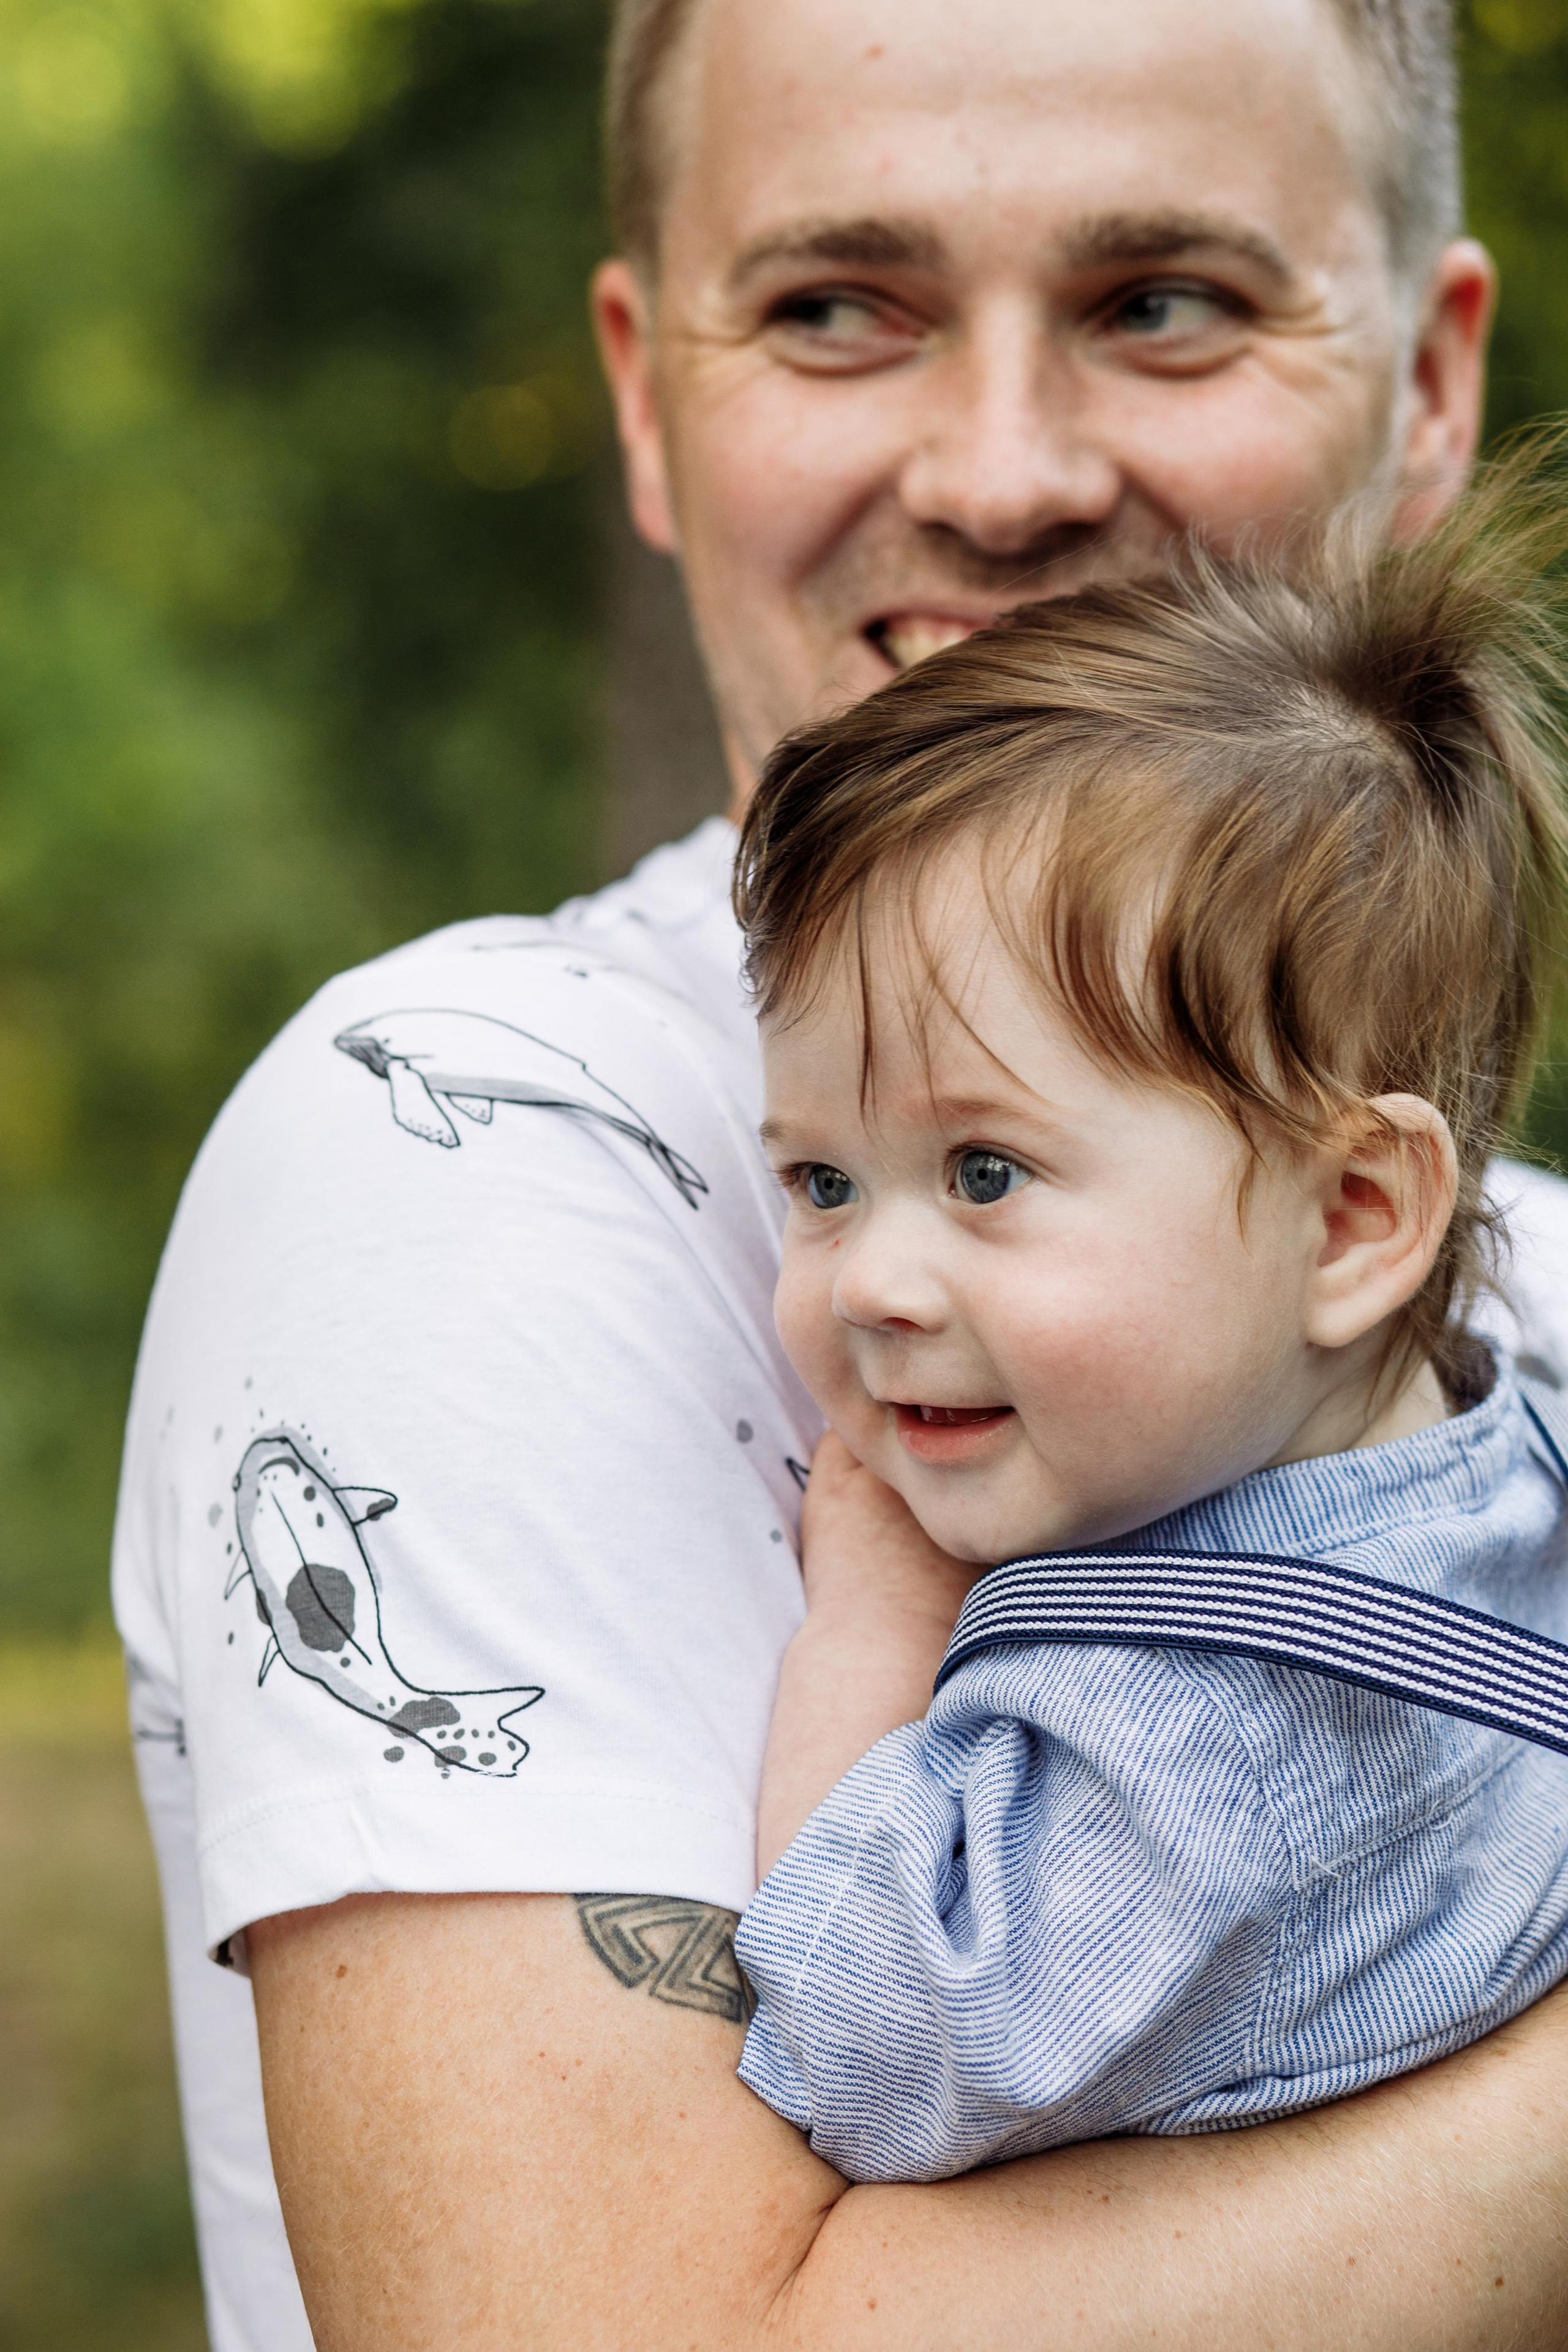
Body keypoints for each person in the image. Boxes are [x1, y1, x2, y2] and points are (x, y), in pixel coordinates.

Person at [110, 0, 1568, 2343]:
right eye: (833, 307)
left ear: (1425, 377)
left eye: (1161, 302)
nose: (1000, 477)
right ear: (641, 391)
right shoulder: (478, 1140)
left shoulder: (1522, 1303)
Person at [731, 475, 1568, 2179]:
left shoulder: (1220, 1724)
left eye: (983, 1170)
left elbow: (867, 2047)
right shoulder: (1506, 1461)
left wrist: (869, 1644)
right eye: (821, 1182)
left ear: (1353, 1221)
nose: (874, 1283)